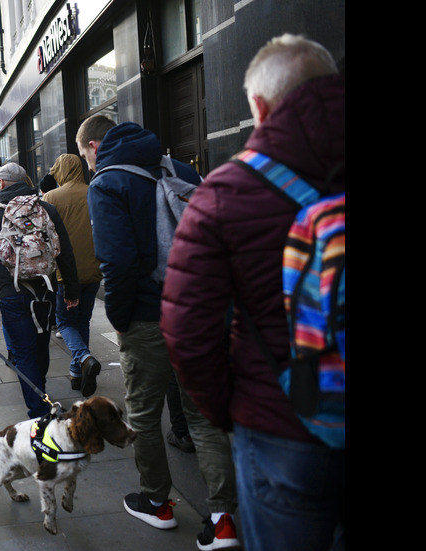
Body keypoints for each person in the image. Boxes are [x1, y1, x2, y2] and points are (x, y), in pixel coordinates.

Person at [160, 34, 345, 551]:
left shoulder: (224, 191)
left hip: (282, 421)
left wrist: (232, 411)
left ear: (259, 106)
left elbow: (189, 331)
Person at [81, 114, 240, 549]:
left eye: (84, 156)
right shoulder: (180, 170)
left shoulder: (108, 183)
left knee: (145, 416)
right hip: (202, 310)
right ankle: (224, 520)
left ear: (94, 147)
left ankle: (158, 503)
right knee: (204, 416)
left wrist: (120, 318)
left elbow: (116, 262)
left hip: (150, 316)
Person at [0, 162, 79, 419]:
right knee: (41, 345)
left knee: (22, 350)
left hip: (12, 291)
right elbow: (65, 252)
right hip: (46, 289)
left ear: (2, 183)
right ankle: (41, 392)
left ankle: (38, 409)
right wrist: (71, 290)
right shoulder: (46, 209)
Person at [42, 154, 103, 396]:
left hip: (65, 275)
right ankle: (77, 374)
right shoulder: (94, 192)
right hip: (93, 270)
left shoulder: (51, 197)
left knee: (66, 322)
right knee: (83, 321)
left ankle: (83, 357)